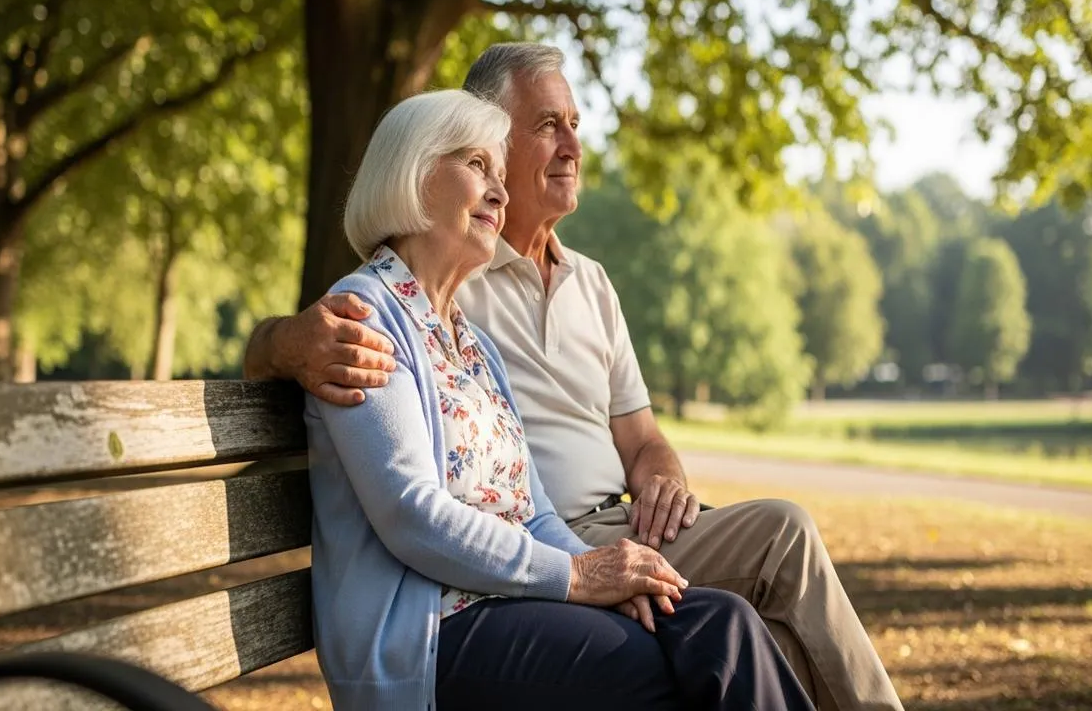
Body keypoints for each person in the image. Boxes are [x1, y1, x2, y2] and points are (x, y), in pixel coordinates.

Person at [248, 45, 903, 711]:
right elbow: (411, 513)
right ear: (413, 178)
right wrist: (579, 573)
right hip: (436, 627)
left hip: (545, 570)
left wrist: (611, 567)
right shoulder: (370, 316)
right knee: (680, 674)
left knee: (726, 628)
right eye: (481, 164)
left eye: (499, 169)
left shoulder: (472, 341)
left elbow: (536, 505)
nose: (499, 189)